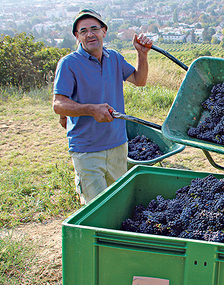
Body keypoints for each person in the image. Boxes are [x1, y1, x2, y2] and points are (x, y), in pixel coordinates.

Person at [52, 9, 153, 204]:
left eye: (94, 28)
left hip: (118, 144)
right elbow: (58, 104)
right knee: (96, 207)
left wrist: (142, 54)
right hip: (87, 150)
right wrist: (91, 109)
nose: (90, 34)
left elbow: (139, 80)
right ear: (77, 37)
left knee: (119, 202)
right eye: (83, 31)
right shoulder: (68, 64)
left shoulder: (113, 58)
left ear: (104, 31)